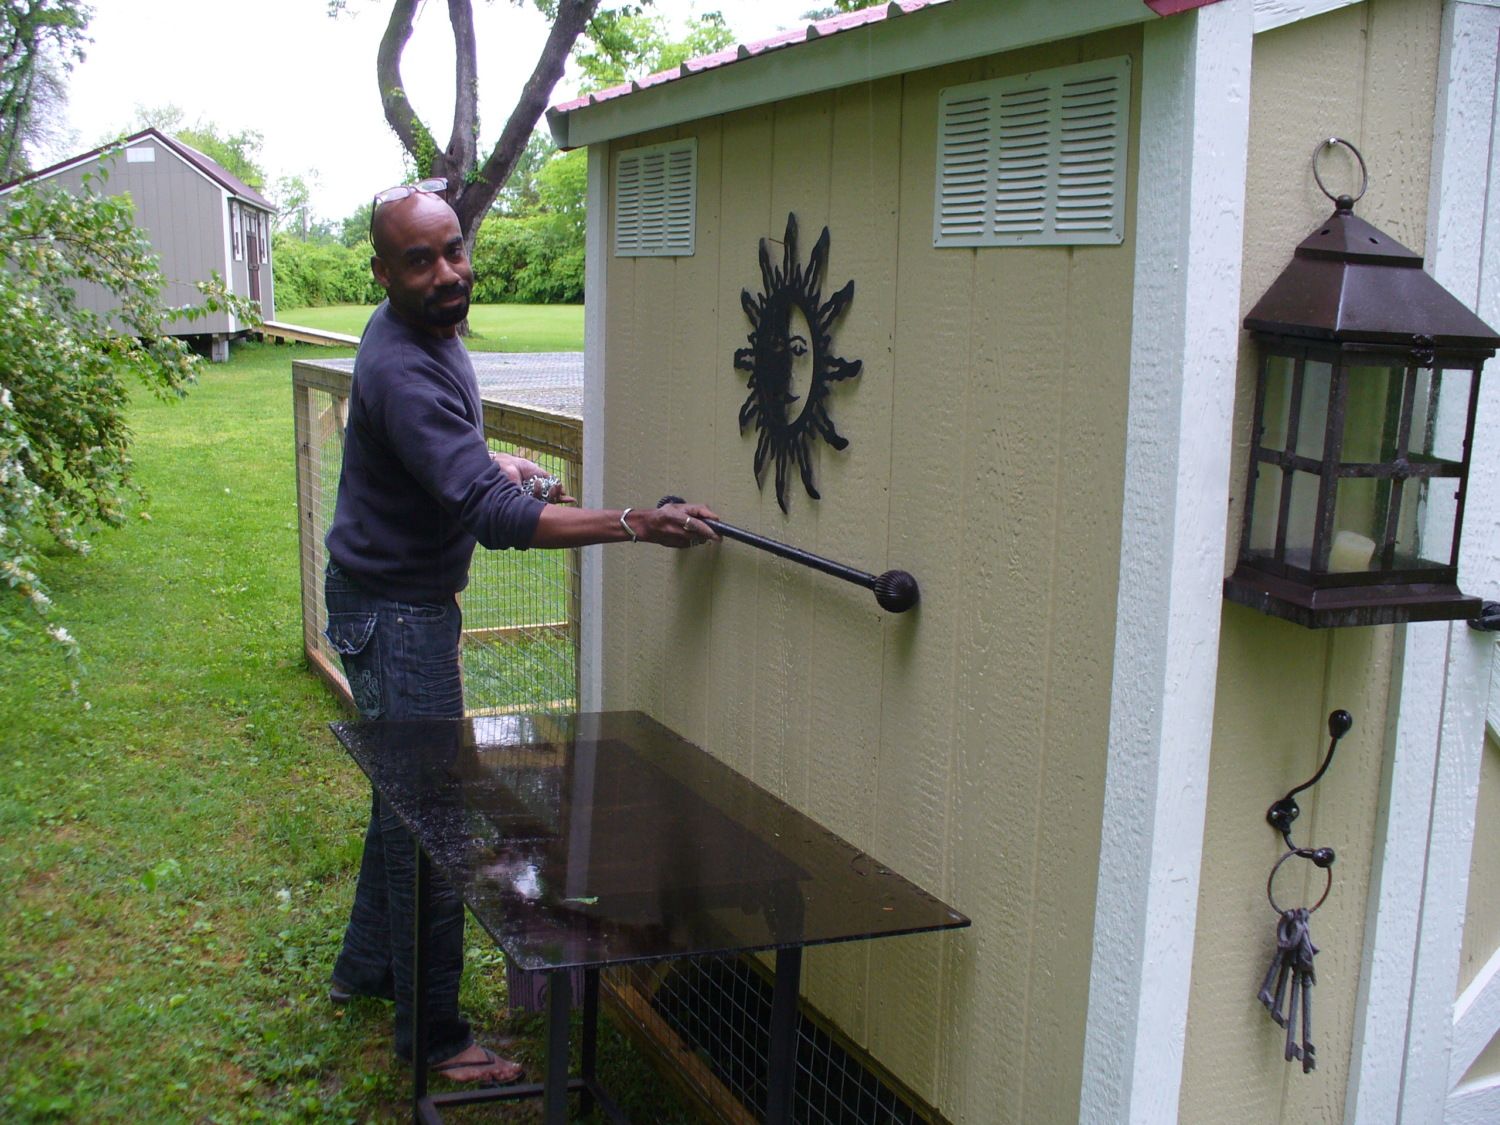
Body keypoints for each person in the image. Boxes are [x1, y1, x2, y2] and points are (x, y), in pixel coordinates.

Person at [322, 178, 719, 1084]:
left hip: (386, 599)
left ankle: (368, 965)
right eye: (418, 260)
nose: (446, 272)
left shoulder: (422, 331)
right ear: (381, 272)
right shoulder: (401, 363)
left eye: (453, 249)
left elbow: (436, 456)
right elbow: (493, 517)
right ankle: (434, 1035)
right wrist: (634, 523)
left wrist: (486, 455)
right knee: (432, 819)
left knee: (404, 797)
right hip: (396, 614)